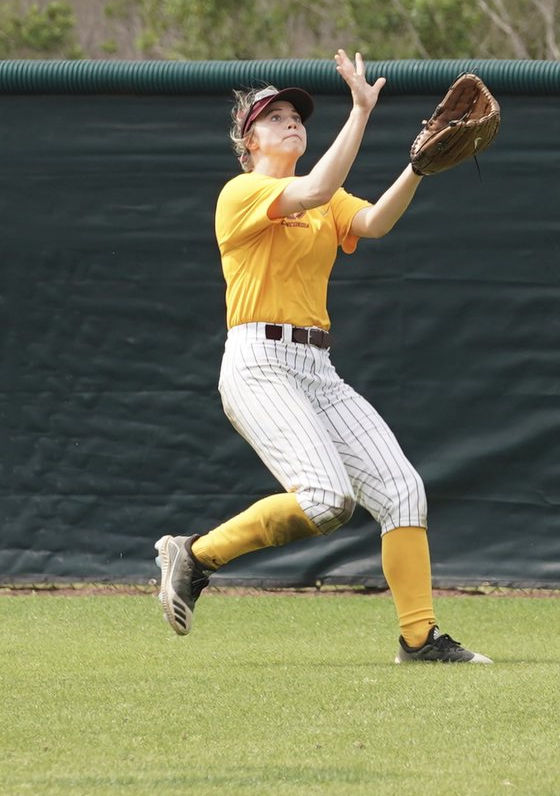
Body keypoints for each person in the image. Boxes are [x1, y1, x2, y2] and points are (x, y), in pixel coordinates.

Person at [154, 48, 491, 664]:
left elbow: (374, 222)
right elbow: (317, 187)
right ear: (249, 140)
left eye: (296, 117)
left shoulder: (322, 204)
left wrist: (416, 167)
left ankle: (419, 639)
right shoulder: (242, 191)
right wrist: (360, 112)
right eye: (274, 117)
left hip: (316, 368)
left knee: (403, 491)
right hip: (258, 362)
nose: (290, 122)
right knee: (326, 499)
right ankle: (195, 555)